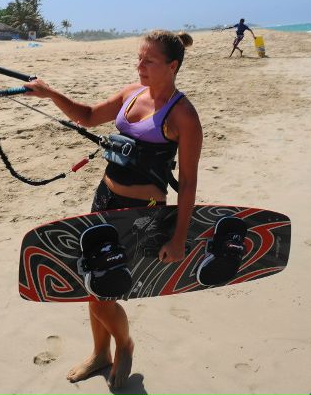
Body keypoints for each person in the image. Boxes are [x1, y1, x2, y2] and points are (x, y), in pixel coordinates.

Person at [24, 30, 203, 389]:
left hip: (140, 212)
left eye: (148, 61)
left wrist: (180, 236)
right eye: (139, 58)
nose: (140, 66)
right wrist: (50, 94)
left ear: (172, 66)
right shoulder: (130, 93)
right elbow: (89, 116)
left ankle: (124, 346)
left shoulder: (183, 115)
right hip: (103, 201)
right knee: (93, 283)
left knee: (104, 293)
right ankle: (99, 353)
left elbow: (188, 183)